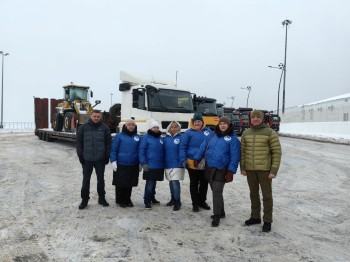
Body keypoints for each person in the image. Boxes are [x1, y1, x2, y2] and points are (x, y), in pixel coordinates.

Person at [194, 116, 240, 227]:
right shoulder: (212, 135)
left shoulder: (233, 139)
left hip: (222, 169)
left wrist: (231, 171)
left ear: (229, 125)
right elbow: (203, 147)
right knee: (215, 191)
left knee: (217, 192)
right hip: (209, 167)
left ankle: (216, 215)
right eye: (221, 124)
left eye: (225, 124)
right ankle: (221, 212)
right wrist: (197, 158)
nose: (222, 125)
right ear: (218, 125)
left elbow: (235, 156)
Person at [240, 109, 282, 232]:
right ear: (251, 119)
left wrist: (274, 170)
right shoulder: (246, 133)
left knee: (267, 196)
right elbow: (242, 152)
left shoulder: (270, 132)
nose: (256, 119)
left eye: (258, 117)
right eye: (254, 117)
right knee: (253, 194)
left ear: (262, 118)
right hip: (250, 170)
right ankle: (255, 217)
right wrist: (243, 167)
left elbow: (276, 152)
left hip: (265, 170)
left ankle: (267, 220)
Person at [76, 109, 112, 209]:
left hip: (100, 159)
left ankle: (102, 198)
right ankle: (84, 200)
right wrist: (80, 155)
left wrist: (106, 156)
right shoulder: (83, 128)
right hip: (87, 159)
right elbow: (79, 143)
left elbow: (108, 143)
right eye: (94, 116)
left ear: (100, 117)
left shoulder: (105, 128)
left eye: (98, 116)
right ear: (91, 116)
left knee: (101, 180)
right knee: (86, 180)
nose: (96, 118)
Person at [180, 113, 212, 212]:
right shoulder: (188, 133)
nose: (197, 123)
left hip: (204, 161)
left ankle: (202, 201)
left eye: (199, 121)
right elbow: (182, 147)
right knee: (194, 183)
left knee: (204, 183)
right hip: (192, 161)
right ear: (193, 122)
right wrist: (183, 160)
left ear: (203, 122)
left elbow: (212, 144)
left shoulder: (208, 132)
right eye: (196, 121)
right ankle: (195, 203)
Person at [110, 119, 140, 208]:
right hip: (121, 163)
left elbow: (140, 150)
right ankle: (120, 200)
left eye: (133, 125)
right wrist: (113, 161)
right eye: (129, 125)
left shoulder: (138, 137)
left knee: (130, 183)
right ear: (125, 126)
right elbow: (113, 149)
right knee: (120, 183)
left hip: (133, 163)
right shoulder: (119, 136)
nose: (131, 127)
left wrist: (140, 162)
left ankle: (127, 199)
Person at [139, 121, 165, 210]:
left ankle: (152, 198)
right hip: (149, 165)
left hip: (159, 165)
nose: (156, 129)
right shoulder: (145, 137)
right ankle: (147, 201)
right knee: (149, 184)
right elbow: (141, 151)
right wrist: (143, 163)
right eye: (154, 127)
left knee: (154, 183)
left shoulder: (161, 138)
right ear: (150, 128)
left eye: (157, 127)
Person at [164, 121, 185, 211]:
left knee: (175, 182)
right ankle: (173, 198)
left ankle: (177, 201)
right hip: (168, 163)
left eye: (175, 127)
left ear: (179, 128)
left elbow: (183, 150)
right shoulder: (166, 138)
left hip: (178, 163)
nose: (173, 129)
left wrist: (182, 161)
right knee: (171, 181)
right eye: (171, 127)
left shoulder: (182, 138)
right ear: (169, 128)